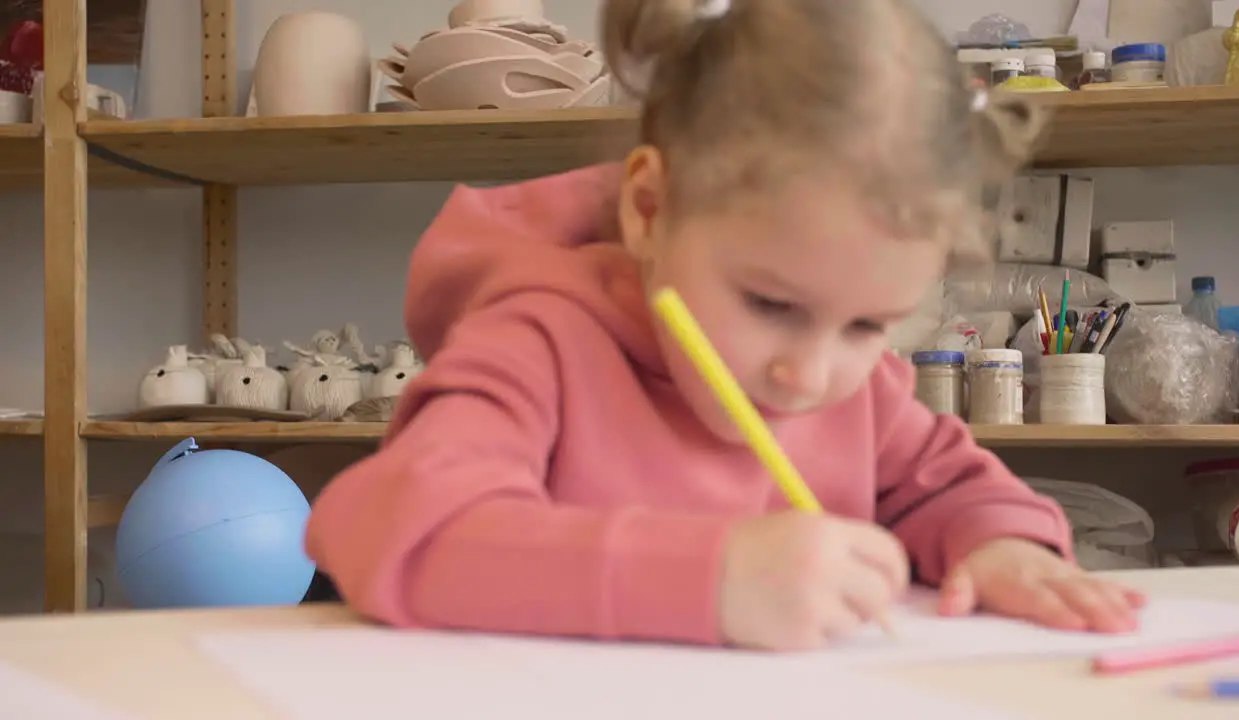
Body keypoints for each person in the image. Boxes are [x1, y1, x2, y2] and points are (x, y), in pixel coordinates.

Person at [305, 0, 1146, 652]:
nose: (810, 375)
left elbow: (960, 488)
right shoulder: (540, 345)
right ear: (648, 208)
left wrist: (1004, 547)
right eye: (772, 305)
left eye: (868, 325)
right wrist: (709, 579)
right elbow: (393, 534)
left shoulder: (861, 390)